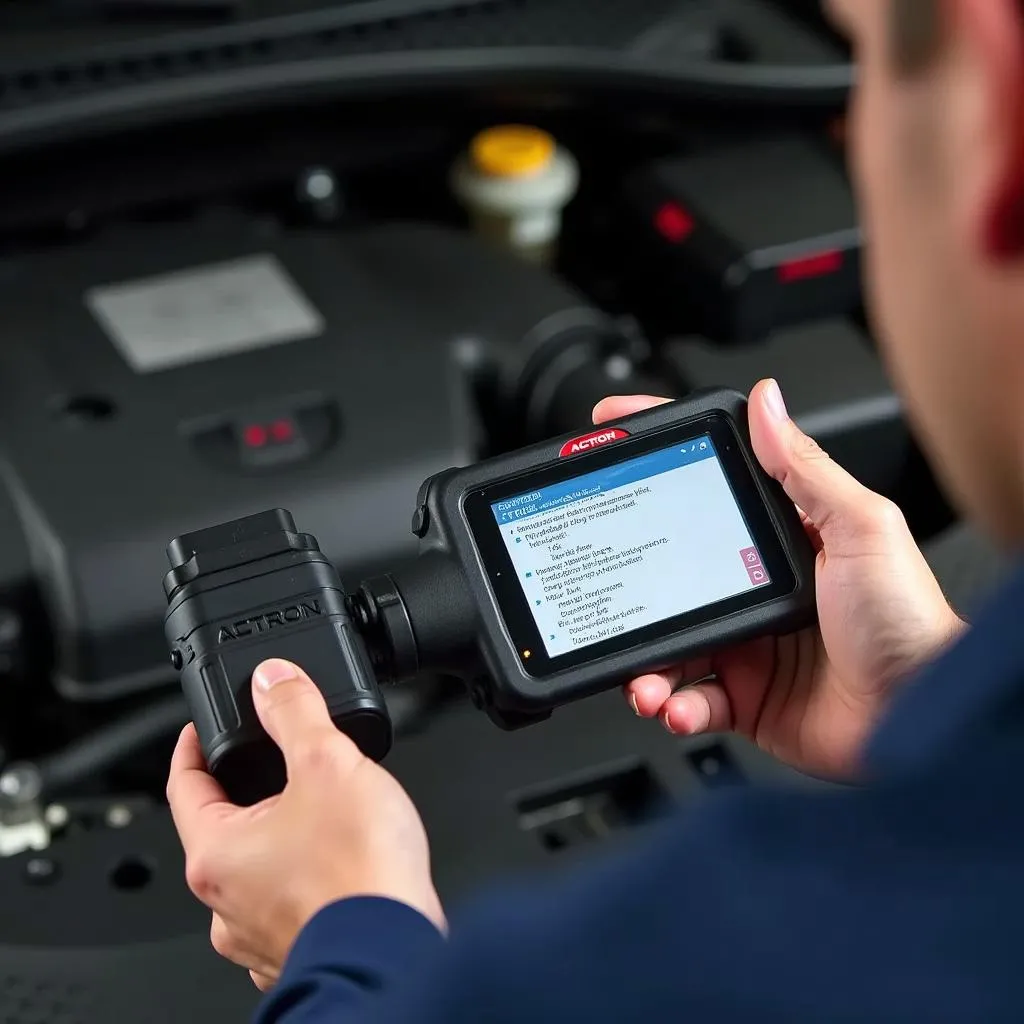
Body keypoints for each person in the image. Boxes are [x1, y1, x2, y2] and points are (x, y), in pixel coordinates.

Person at [165, 0, 1024, 1019]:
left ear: (995, 103)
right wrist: (923, 697)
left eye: (864, 64)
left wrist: (339, 941)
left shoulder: (710, 956)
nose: (851, 132)